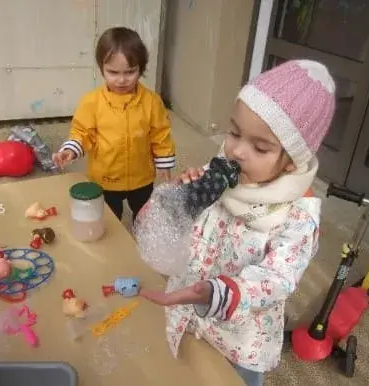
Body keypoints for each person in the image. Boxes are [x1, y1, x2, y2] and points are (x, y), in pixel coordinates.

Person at [140, 59, 336, 385]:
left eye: (260, 147)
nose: (237, 152)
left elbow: (277, 278)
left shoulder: (298, 217)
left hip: (240, 337)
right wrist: (184, 194)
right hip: (190, 310)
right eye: (234, 132)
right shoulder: (225, 168)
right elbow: (175, 224)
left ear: (292, 162)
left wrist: (218, 293)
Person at [52, 27, 176, 221]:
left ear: (141, 69)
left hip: (141, 178)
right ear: (101, 68)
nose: (121, 80)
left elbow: (160, 134)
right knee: (110, 219)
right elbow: (83, 132)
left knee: (144, 217)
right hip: (105, 179)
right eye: (112, 72)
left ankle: (139, 240)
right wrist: (71, 149)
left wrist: (164, 163)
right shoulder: (91, 102)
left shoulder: (152, 101)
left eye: (130, 72)